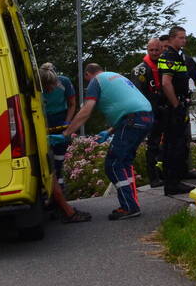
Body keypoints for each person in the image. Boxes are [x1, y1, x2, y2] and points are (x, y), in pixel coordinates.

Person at [63, 63, 153, 220]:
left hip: (132, 120)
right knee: (124, 162)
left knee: (113, 164)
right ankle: (132, 203)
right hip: (146, 117)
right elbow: (127, 109)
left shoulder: (95, 81)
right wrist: (109, 131)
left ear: (87, 75)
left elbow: (86, 110)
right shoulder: (114, 76)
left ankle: (129, 207)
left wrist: (67, 133)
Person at [158, 26, 194, 195]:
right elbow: (166, 82)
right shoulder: (169, 56)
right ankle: (172, 183)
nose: (184, 41)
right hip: (173, 107)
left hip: (177, 104)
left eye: (185, 38)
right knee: (174, 145)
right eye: (181, 38)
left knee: (178, 144)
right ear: (172, 39)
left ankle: (175, 180)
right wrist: (176, 105)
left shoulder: (177, 55)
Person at [131, 37, 168, 187]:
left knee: (166, 143)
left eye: (156, 50)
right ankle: (153, 178)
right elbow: (136, 93)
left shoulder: (164, 64)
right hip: (149, 112)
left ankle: (165, 173)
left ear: (161, 49)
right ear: (147, 50)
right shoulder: (140, 69)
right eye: (151, 50)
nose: (154, 53)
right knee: (152, 145)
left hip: (163, 109)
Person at [39, 62, 76, 189]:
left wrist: (67, 122)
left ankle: (59, 183)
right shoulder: (36, 86)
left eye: (51, 85)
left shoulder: (64, 82)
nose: (50, 89)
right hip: (44, 119)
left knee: (59, 155)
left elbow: (72, 104)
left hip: (61, 118)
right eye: (46, 87)